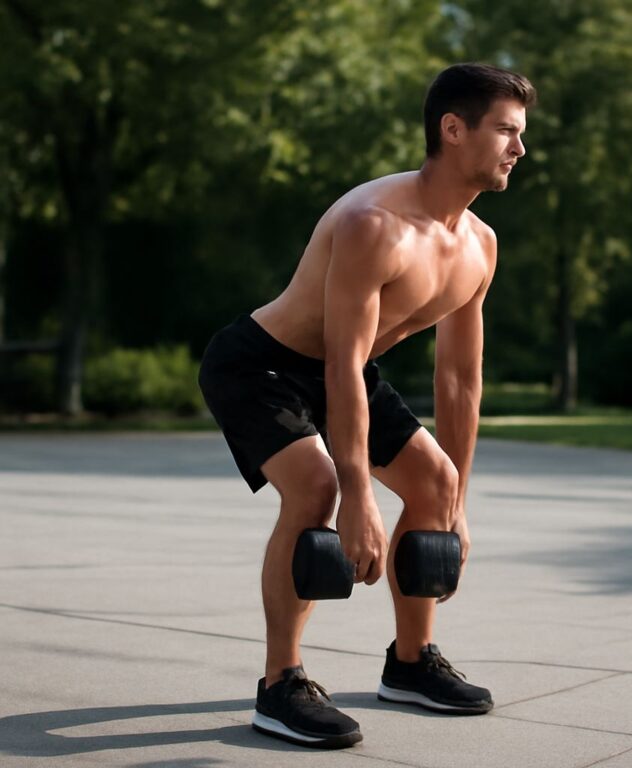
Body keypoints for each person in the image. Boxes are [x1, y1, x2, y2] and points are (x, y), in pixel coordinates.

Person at [198, 62, 536, 749]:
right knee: (317, 487)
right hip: (261, 364)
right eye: (505, 130)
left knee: (436, 482)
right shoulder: (372, 225)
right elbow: (344, 365)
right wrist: (357, 494)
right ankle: (280, 685)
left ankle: (410, 665)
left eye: (521, 134)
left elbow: (459, 381)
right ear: (452, 128)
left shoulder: (479, 245)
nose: (519, 149)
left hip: (341, 371)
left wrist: (458, 505)